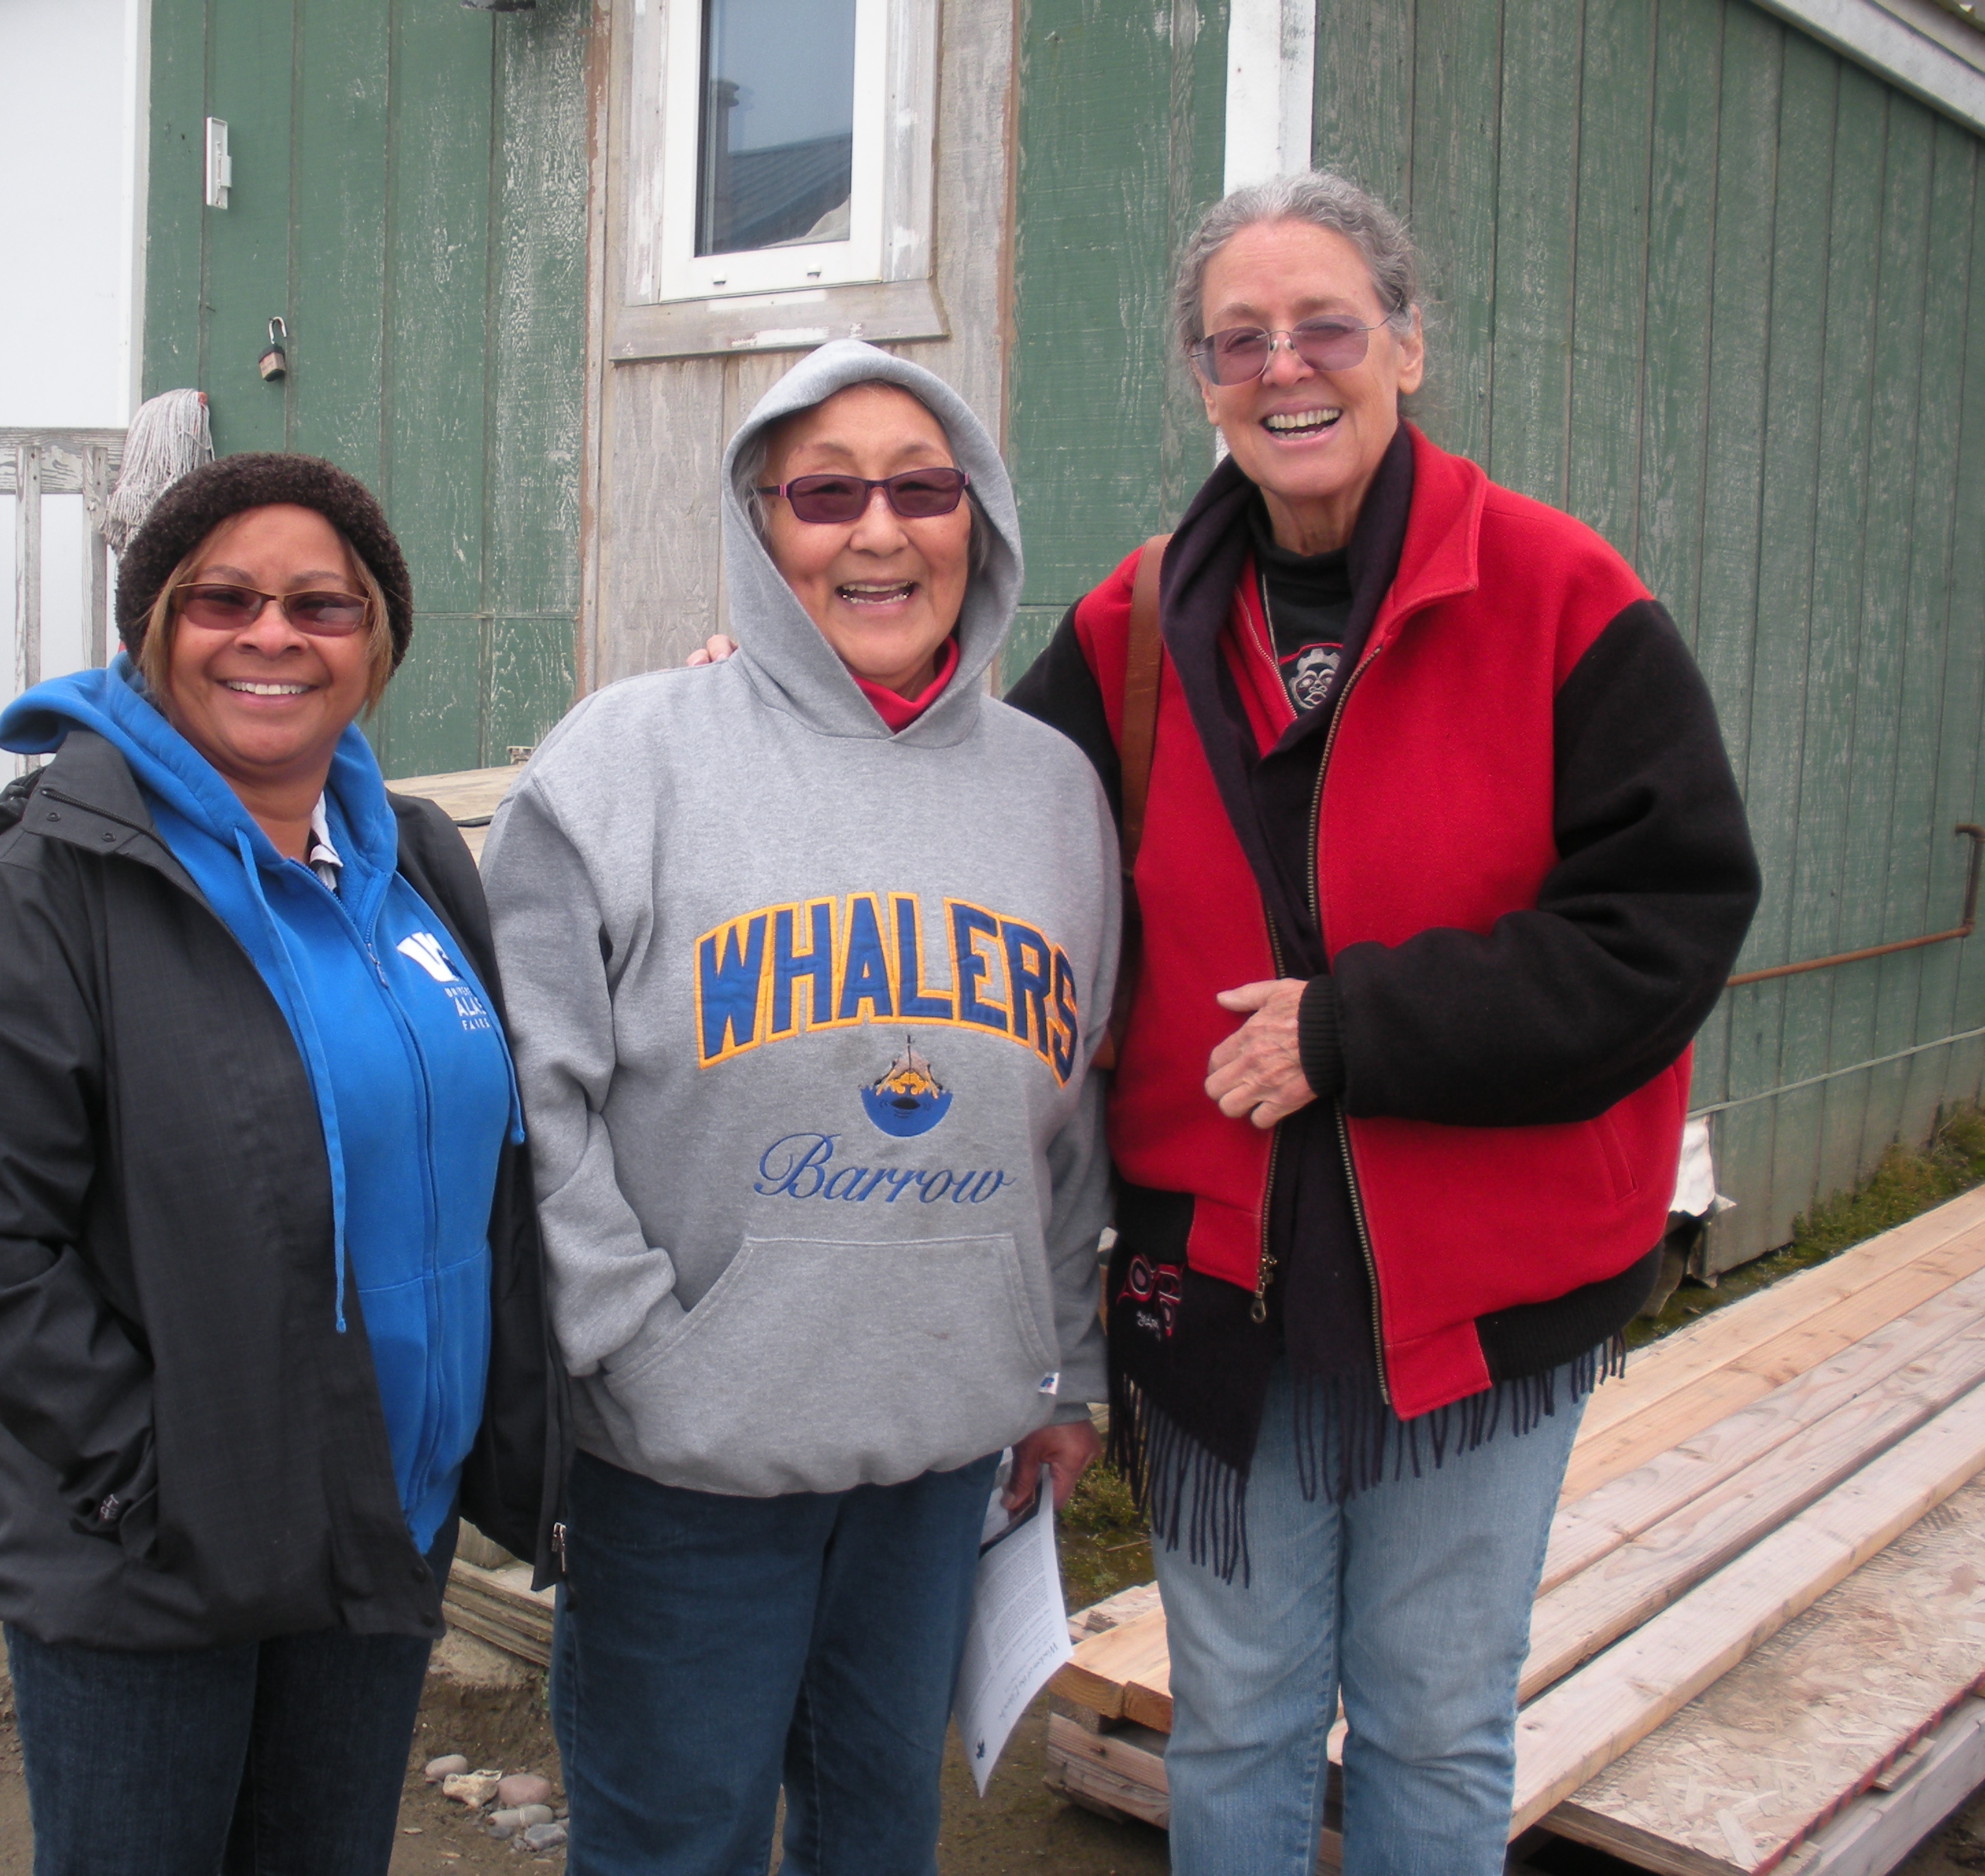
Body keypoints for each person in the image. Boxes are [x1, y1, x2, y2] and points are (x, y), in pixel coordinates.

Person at [1003, 172, 1761, 1875]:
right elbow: (992, 843)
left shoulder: (1565, 598)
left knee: (1433, 1719)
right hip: (1216, 1289)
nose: (1288, 367)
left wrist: (1360, 1028)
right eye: (1239, 338)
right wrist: (807, 712)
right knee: (1247, 1714)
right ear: (1203, 380)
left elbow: (1668, 926)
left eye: (1328, 325)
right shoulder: (1131, 632)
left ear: (1407, 345)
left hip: (1482, 1299)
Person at [0, 455, 560, 1876]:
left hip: (386, 1517)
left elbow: (492, 1160)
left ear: (374, 646)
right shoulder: (45, 890)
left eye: (323, 602)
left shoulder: (418, 861)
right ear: (153, 630)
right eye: (223, 599)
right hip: (163, 1551)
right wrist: (157, 1472)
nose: (272, 634)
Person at [481, 340, 1116, 1876]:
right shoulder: (626, 761)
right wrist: (631, 1346)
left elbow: (1076, 1111)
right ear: (763, 529)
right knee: (672, 1844)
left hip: (940, 1455)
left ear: (983, 519)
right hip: (692, 1461)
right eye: (826, 493)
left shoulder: (1052, 791)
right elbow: (529, 1097)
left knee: (876, 1831)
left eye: (923, 487)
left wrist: (1064, 1365)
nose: (879, 531)